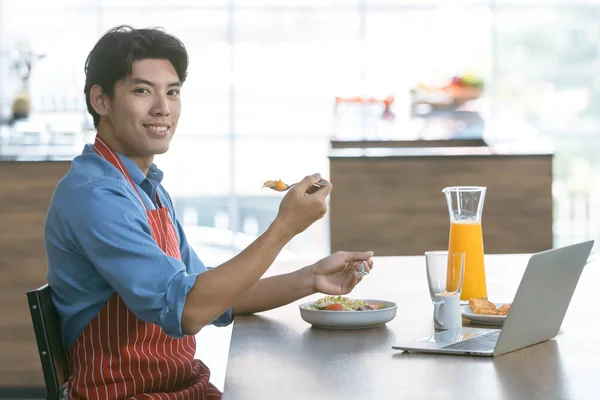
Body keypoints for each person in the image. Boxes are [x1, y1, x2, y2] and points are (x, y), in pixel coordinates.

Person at [44, 25, 373, 400]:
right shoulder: (95, 195)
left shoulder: (145, 187)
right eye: (142, 91)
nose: (162, 108)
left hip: (180, 388)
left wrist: (312, 278)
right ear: (100, 100)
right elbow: (190, 309)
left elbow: (216, 295)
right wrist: (284, 228)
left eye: (172, 92)